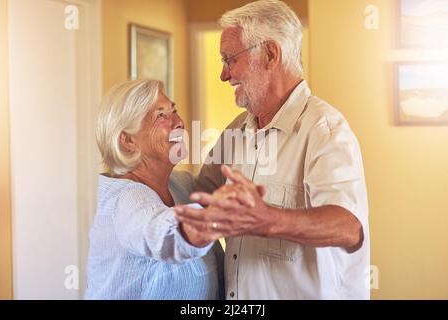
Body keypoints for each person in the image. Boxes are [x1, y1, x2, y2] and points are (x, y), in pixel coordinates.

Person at [175, 0, 370, 299]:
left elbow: (348, 227)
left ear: (269, 54)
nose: (224, 75)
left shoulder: (324, 129)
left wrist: (268, 219)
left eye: (229, 59)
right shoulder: (236, 130)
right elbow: (199, 199)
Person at [85, 79, 224, 299]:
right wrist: (219, 217)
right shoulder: (127, 199)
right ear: (128, 141)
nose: (178, 122)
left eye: (174, 110)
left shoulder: (182, 185)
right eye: (161, 115)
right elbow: (161, 234)